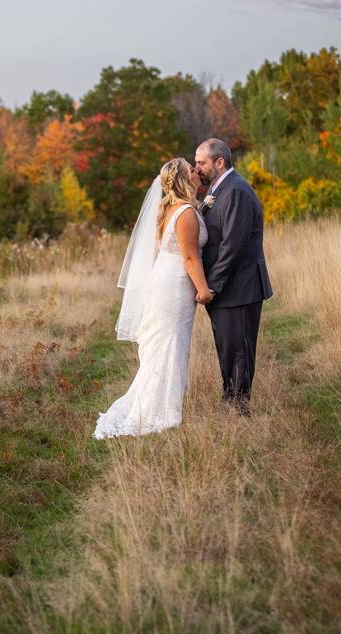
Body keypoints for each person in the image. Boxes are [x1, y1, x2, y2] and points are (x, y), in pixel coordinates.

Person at [93, 157, 210, 439]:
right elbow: (191, 257)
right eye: (191, 170)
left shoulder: (169, 210)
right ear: (184, 179)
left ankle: (163, 406)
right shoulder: (185, 213)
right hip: (175, 285)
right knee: (168, 346)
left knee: (166, 346)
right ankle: (158, 412)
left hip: (167, 281)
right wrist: (204, 290)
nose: (197, 172)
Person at [194, 138, 274, 416]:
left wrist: (211, 287)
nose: (197, 168)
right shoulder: (217, 190)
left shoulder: (236, 191)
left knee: (238, 350)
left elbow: (233, 245)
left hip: (239, 287)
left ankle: (239, 411)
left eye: (201, 162)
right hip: (227, 290)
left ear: (219, 162)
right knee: (228, 347)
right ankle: (230, 402)